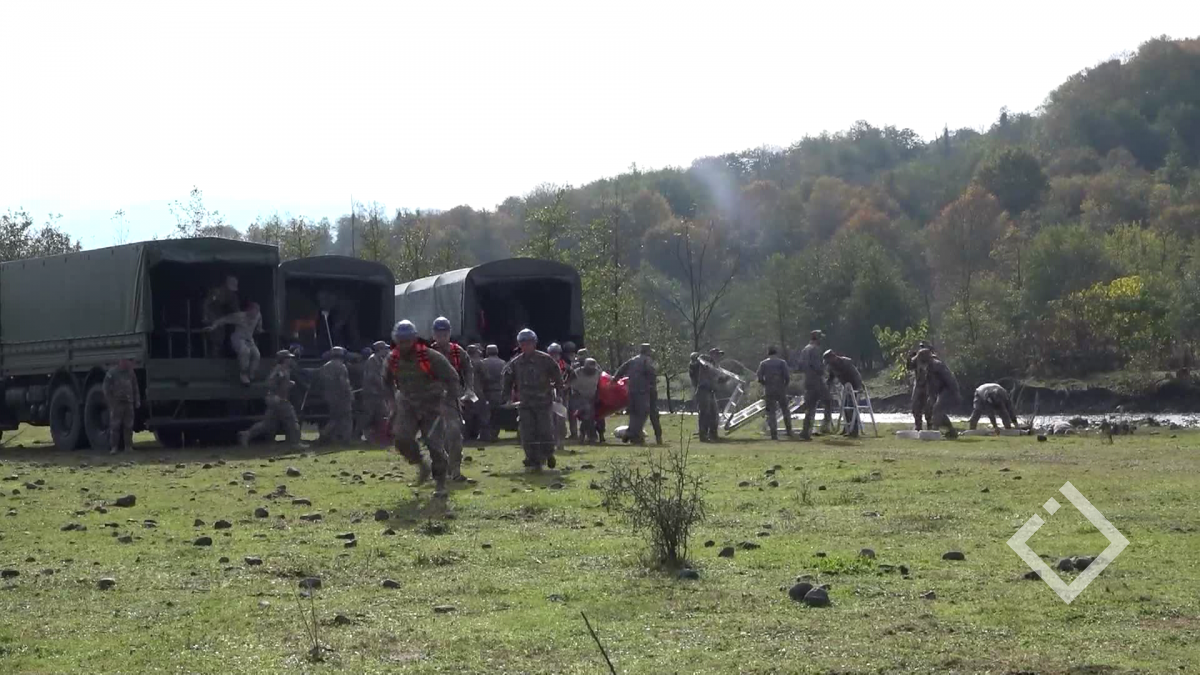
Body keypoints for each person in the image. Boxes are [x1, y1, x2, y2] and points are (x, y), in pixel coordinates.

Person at [386, 320, 460, 498]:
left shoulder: (431, 357)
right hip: (407, 405)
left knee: (434, 445)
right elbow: (386, 382)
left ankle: (440, 482)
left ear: (414, 339)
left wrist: (447, 402)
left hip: (431, 405)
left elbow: (453, 378)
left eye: (406, 340)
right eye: (400, 341)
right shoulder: (393, 359)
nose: (403, 345)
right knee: (401, 439)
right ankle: (421, 464)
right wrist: (392, 406)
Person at [502, 329, 563, 472]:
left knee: (545, 430)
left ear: (534, 344)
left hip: (543, 402)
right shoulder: (515, 363)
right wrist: (507, 398)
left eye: (529, 343)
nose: (526, 346)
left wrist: (559, 393)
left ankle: (548, 453)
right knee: (527, 432)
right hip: (525, 404)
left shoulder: (545, 360)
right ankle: (533, 460)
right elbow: (507, 380)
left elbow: (557, 376)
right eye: (523, 344)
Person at [430, 317, 473, 481]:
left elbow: (468, 369)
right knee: (434, 437)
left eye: (445, 333)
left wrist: (469, 388)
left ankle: (454, 469)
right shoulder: (426, 353)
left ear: (449, 333)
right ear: (434, 334)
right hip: (431, 401)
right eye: (439, 333)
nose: (442, 336)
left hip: (451, 400)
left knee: (454, 432)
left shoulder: (457, 351)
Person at [239, 350, 303, 448]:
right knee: (292, 420)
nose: (291, 359)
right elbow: (269, 383)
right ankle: (296, 443)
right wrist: (279, 390)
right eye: (289, 358)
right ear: (284, 359)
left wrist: (287, 383)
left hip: (276, 399)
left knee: (267, 424)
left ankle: (247, 434)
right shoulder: (280, 370)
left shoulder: (284, 369)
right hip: (279, 399)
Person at [207, 301, 263, 385]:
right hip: (238, 338)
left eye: (257, 312)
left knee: (256, 354)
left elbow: (259, 321)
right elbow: (223, 319)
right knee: (245, 351)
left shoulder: (258, 316)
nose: (255, 314)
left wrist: (259, 328)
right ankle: (243, 374)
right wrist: (213, 326)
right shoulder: (239, 316)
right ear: (249, 310)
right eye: (253, 312)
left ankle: (251, 373)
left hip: (249, 339)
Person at [617, 343, 663, 445]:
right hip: (644, 391)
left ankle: (632, 434)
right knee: (645, 414)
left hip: (632, 390)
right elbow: (651, 373)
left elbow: (621, 369)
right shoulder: (647, 361)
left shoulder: (633, 360)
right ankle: (634, 435)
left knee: (634, 413)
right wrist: (652, 383)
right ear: (648, 351)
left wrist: (614, 380)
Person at [797, 330, 833, 441]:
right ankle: (825, 426)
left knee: (810, 406)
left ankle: (805, 431)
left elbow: (800, 365)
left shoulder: (805, 349)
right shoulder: (815, 350)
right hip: (816, 380)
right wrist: (824, 372)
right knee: (828, 400)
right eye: (820, 338)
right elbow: (817, 366)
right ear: (817, 339)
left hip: (807, 380)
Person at [917, 348, 960, 438]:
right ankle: (952, 432)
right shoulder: (930, 365)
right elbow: (932, 384)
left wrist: (954, 393)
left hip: (948, 389)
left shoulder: (936, 365)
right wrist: (932, 397)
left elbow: (948, 380)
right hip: (941, 390)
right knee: (935, 409)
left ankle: (934, 432)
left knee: (937, 410)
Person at [824, 350, 865, 438]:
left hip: (854, 386)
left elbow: (856, 375)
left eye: (829, 361)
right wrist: (826, 386)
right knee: (844, 409)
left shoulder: (846, 362)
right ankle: (846, 428)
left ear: (833, 357)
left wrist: (859, 387)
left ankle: (854, 431)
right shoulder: (831, 366)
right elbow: (831, 378)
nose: (828, 364)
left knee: (851, 408)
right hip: (845, 387)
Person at [317, 347, 354, 444]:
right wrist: (350, 393)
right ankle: (346, 439)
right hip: (341, 397)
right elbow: (344, 383)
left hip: (329, 396)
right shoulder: (341, 367)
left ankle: (328, 435)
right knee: (347, 418)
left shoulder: (325, 366)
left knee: (335, 418)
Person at [103, 359, 140, 454]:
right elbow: (106, 387)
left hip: (128, 402)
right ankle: (114, 447)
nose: (129, 363)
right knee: (115, 426)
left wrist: (137, 401)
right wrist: (110, 401)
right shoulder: (112, 373)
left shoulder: (131, 373)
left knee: (129, 426)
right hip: (117, 403)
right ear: (121, 362)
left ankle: (128, 447)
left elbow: (135, 387)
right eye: (127, 361)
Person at [358, 341, 392, 444]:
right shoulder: (372, 360)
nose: (387, 350)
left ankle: (381, 437)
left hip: (378, 394)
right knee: (368, 416)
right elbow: (374, 377)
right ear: (380, 350)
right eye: (385, 349)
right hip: (372, 394)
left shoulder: (380, 360)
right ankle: (357, 434)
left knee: (382, 414)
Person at [756, 346, 792, 440]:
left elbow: (759, 377)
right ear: (776, 353)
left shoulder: (763, 363)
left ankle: (774, 434)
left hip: (769, 389)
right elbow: (787, 377)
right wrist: (784, 386)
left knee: (771, 412)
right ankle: (789, 431)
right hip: (780, 389)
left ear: (768, 353)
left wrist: (766, 384)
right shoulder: (782, 362)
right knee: (785, 410)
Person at [203, 275, 240, 357]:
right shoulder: (217, 292)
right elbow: (207, 303)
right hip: (211, 313)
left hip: (223, 316)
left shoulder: (233, 296)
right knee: (217, 331)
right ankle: (214, 354)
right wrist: (205, 316)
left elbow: (236, 309)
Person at [478, 344, 507, 442]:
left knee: (485, 414)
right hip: (499, 391)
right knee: (497, 414)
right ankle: (495, 434)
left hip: (486, 392)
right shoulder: (503, 363)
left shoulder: (482, 363)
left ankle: (485, 435)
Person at [571, 357, 602, 443]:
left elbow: (602, 384)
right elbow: (571, 385)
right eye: (589, 368)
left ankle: (590, 435)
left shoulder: (598, 373)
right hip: (579, 397)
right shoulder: (577, 372)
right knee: (587, 415)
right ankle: (588, 435)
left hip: (593, 397)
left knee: (593, 416)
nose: (591, 370)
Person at [692, 352, 722, 442]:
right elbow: (700, 359)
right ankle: (703, 435)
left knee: (714, 414)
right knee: (705, 413)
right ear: (712, 355)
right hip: (703, 391)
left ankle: (713, 434)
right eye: (716, 354)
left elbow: (718, 379)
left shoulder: (716, 366)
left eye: (719, 355)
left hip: (711, 392)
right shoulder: (704, 363)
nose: (718, 357)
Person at [906, 341, 935, 430]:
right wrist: (909, 357)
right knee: (915, 405)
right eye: (921, 347)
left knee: (929, 407)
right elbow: (909, 366)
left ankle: (930, 425)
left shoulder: (933, 359)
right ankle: (918, 425)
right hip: (919, 385)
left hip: (929, 385)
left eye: (923, 347)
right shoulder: (917, 358)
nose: (922, 349)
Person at [548, 343, 571, 453]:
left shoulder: (565, 366)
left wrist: (567, 385)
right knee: (550, 420)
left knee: (561, 419)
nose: (554, 356)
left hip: (562, 396)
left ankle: (560, 441)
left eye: (556, 354)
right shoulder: (545, 365)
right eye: (552, 354)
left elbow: (573, 376)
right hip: (549, 396)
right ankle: (551, 442)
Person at [562, 341, 579, 439]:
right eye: (569, 353)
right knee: (564, 413)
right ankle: (564, 432)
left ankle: (574, 433)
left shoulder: (575, 363)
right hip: (567, 392)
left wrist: (568, 385)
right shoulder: (563, 364)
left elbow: (574, 377)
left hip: (573, 392)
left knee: (572, 413)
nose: (571, 355)